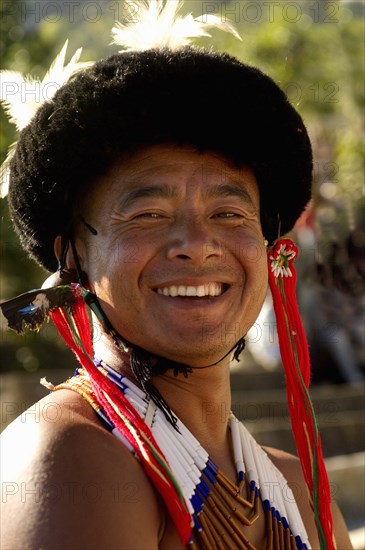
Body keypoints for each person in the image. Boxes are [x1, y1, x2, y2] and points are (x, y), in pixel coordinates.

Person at [0, 2, 353, 548]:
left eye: (229, 214)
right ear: (72, 256)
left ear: (270, 248)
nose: (197, 246)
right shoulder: (72, 456)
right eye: (148, 215)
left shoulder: (292, 483)